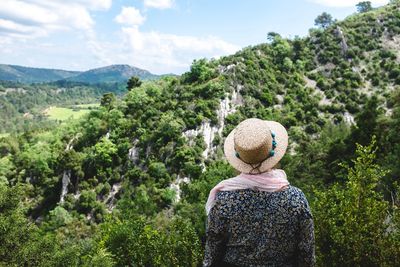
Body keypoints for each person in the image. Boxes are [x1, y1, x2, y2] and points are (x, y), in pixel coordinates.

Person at [203, 118, 315, 267]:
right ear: (273, 154)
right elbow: (306, 253)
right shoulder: (296, 198)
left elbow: (212, 254)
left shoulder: (224, 200)